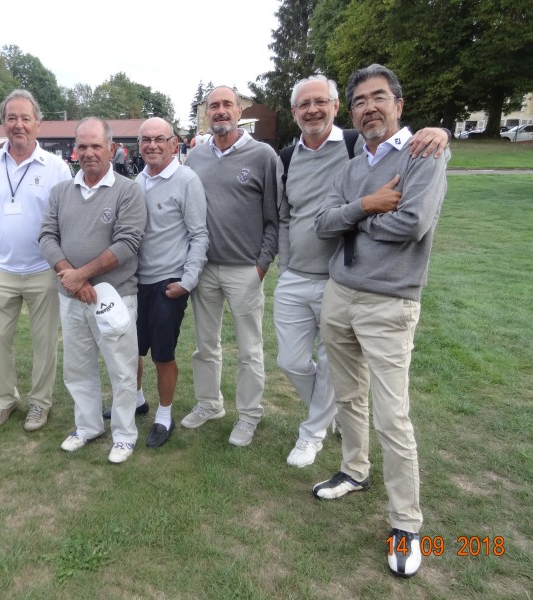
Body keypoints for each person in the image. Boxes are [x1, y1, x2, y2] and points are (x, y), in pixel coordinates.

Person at [313, 64, 450, 577]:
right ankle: (354, 470)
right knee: (349, 395)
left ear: (399, 104)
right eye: (359, 101)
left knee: (392, 416)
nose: (369, 107)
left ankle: (406, 523)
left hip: (389, 303)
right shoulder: (352, 167)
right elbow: (323, 223)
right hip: (340, 295)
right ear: (351, 112)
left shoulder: (424, 153)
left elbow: (412, 224)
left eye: (378, 97)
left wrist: (353, 217)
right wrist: (369, 205)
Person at [274, 76, 449, 468]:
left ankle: (312, 434)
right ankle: (335, 412)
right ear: (294, 111)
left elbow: (403, 143)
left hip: (341, 275)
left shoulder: (356, 143)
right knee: (291, 361)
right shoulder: (285, 157)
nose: (312, 110)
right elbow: (288, 217)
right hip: (296, 274)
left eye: (321, 101)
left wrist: (442, 132)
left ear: (337, 106)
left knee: (334, 367)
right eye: (304, 104)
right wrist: (285, 265)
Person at [39, 117, 146, 464]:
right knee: (78, 367)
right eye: (82, 146)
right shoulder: (61, 192)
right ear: (75, 150)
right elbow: (46, 236)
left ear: (111, 149)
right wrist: (71, 276)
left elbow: (127, 243)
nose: (88, 153)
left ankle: (124, 435)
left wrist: (81, 276)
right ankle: (87, 427)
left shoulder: (128, 191)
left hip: (115, 297)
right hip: (72, 297)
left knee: (122, 369)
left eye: (96, 146)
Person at [182, 86, 278, 447]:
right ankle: (210, 404)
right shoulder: (195, 157)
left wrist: (262, 265)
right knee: (205, 345)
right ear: (206, 113)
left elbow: (274, 216)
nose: (220, 111)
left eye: (227, 105)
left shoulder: (263, 155)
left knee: (249, 350)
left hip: (245, 270)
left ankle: (249, 415)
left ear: (240, 111)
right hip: (204, 268)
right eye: (213, 106)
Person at [0, 90, 72, 432]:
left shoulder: (57, 167)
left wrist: (61, 265)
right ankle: (4, 400)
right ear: (3, 122)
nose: (18, 125)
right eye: (11, 118)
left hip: (44, 270)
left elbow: (68, 219)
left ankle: (40, 403)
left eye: (25, 118)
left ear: (38, 123)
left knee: (45, 343)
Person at [133, 117, 209, 448]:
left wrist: (187, 282)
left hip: (168, 283)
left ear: (173, 144)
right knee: (131, 350)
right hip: (136, 282)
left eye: (159, 139)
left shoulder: (187, 180)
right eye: (145, 140)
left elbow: (199, 235)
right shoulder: (138, 181)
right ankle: (136, 400)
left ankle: (164, 415)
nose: (152, 145)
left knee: (162, 355)